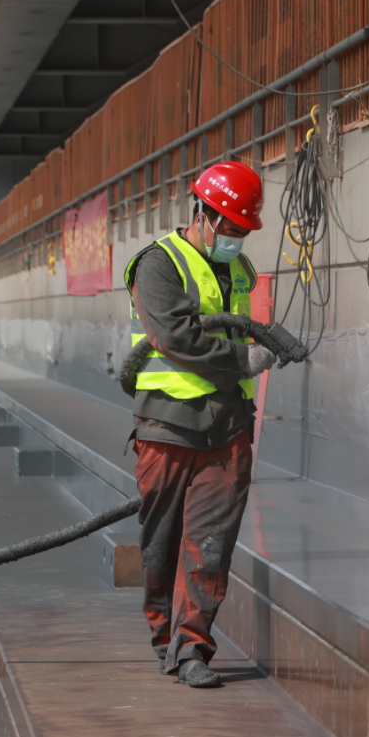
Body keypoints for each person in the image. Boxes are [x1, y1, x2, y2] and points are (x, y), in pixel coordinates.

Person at [123, 161, 276, 688]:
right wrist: (241, 358)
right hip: (167, 428)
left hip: (227, 427)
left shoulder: (239, 270)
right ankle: (165, 636)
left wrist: (253, 355)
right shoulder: (158, 265)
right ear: (204, 214)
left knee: (210, 544)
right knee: (161, 544)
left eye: (242, 230)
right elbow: (175, 338)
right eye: (228, 227)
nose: (234, 238)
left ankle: (193, 649)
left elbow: (243, 325)